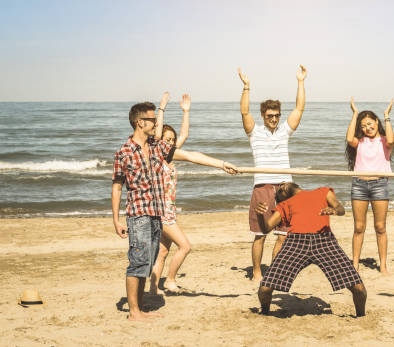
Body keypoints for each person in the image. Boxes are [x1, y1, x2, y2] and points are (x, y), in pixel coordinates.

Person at [112, 93, 238, 321]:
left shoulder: (157, 148)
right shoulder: (124, 152)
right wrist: (115, 219)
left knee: (148, 262)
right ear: (140, 122)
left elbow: (190, 156)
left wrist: (221, 164)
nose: (156, 123)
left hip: (157, 214)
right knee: (138, 262)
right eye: (152, 119)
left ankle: (139, 308)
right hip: (138, 214)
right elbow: (117, 186)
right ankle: (134, 313)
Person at [237, 65, 307, 282]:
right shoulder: (254, 132)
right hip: (263, 186)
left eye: (277, 115)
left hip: (285, 187)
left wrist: (301, 82)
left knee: (284, 235)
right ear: (263, 115)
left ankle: (274, 271)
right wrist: (247, 88)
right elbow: (244, 112)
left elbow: (299, 108)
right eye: (270, 116)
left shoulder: (284, 132)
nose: (274, 119)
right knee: (260, 234)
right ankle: (257, 272)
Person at [255, 183, 367, 317]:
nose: (282, 186)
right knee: (265, 288)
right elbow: (266, 228)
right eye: (280, 190)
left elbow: (340, 208)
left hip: (324, 240)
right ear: (282, 197)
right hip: (295, 242)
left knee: (359, 289)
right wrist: (260, 215)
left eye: (282, 184)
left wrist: (335, 211)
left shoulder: (323, 192)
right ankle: (265, 312)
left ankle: (361, 316)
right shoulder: (285, 204)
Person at [345, 97, 394, 274]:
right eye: (364, 126)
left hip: (380, 184)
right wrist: (355, 114)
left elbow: (391, 139)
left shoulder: (384, 141)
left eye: (370, 123)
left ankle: (383, 265)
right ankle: (355, 264)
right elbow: (349, 137)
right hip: (359, 185)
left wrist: (386, 116)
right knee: (359, 227)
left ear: (376, 122)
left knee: (380, 227)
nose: (368, 128)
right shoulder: (360, 142)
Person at [149, 94, 193, 294]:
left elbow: (183, 135)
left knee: (163, 251)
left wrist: (186, 111)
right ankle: (170, 281)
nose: (171, 142)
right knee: (185, 246)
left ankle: (151, 288)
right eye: (167, 140)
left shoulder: (171, 155)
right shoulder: (156, 159)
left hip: (169, 210)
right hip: (163, 212)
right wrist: (162, 108)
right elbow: (156, 137)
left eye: (172, 140)